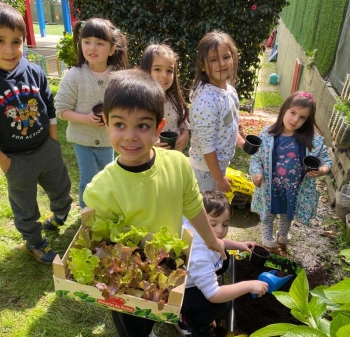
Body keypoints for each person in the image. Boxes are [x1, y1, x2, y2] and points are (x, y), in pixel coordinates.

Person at [83, 68, 226, 337]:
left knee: (153, 315)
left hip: (167, 267)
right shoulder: (101, 189)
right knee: (131, 324)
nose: (130, 136)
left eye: (143, 125)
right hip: (128, 281)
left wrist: (211, 240)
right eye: (120, 124)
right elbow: (104, 246)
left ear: (159, 127)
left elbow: (194, 207)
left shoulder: (178, 165)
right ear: (106, 122)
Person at [0, 2, 72, 264]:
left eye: (16, 41)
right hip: (16, 160)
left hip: (46, 148)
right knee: (25, 206)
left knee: (62, 192)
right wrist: (4, 162)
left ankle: (57, 217)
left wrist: (53, 140)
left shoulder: (33, 70)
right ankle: (34, 243)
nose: (10, 49)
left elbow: (49, 104)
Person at [54, 18, 128, 209]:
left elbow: (125, 109)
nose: (92, 48)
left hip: (107, 140)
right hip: (82, 140)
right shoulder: (75, 75)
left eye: (100, 43)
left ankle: (105, 210)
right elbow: (61, 110)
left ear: (112, 49)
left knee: (106, 176)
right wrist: (86, 119)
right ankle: (86, 213)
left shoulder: (118, 78)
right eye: (87, 42)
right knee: (88, 179)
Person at [249, 92, 332, 257]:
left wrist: (322, 170)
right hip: (269, 189)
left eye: (302, 117)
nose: (295, 120)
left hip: (293, 189)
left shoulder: (311, 141)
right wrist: (257, 173)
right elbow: (256, 158)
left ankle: (281, 242)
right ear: (284, 110)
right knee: (267, 216)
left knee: (287, 216)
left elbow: (326, 161)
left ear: (307, 121)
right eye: (293, 112)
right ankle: (268, 245)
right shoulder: (268, 134)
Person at [179, 190, 268, 336]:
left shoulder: (199, 228)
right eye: (213, 224)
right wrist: (249, 285)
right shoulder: (199, 254)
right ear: (200, 221)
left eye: (225, 224)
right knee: (221, 305)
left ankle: (203, 287)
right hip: (183, 293)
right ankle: (186, 321)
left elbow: (219, 243)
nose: (220, 230)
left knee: (224, 258)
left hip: (192, 277)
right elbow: (214, 295)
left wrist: (239, 245)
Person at [189, 30, 246, 193]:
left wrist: (241, 141)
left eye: (226, 57)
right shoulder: (206, 101)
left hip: (216, 168)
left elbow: (229, 123)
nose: (222, 64)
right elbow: (206, 146)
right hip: (206, 172)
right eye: (214, 59)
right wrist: (218, 179)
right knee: (209, 214)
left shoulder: (229, 91)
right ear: (202, 64)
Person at [139, 43, 190, 151]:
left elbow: (183, 123)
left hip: (173, 158)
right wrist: (151, 145)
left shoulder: (174, 99)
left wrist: (185, 134)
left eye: (169, 71)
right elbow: (134, 131)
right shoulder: (140, 102)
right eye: (157, 69)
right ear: (146, 70)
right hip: (150, 159)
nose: (164, 75)